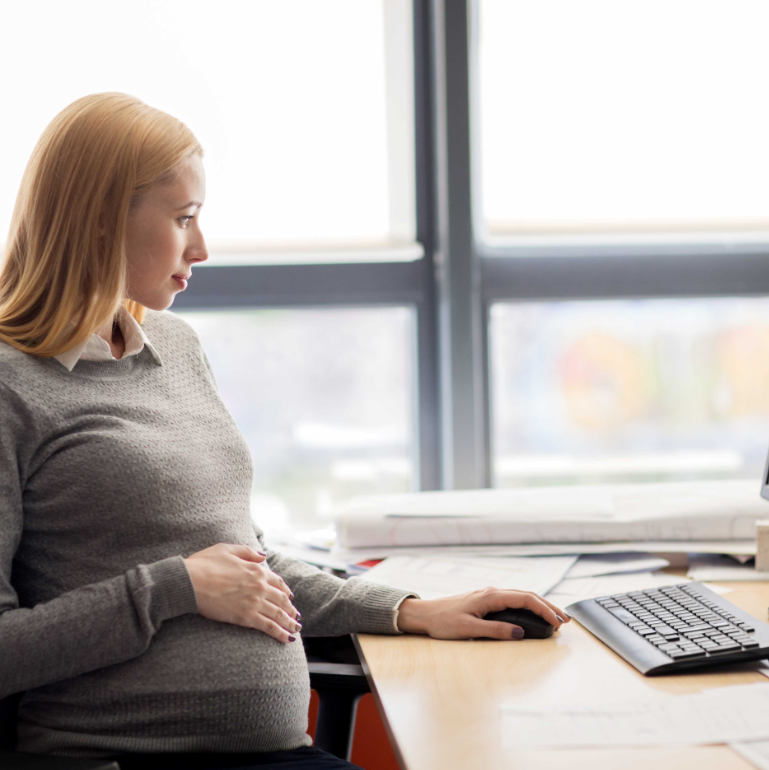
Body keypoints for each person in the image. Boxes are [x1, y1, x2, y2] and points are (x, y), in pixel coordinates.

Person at [0, 93, 569, 770]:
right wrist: (171, 587)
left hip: (271, 754)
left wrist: (411, 610)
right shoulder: (12, 386)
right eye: (183, 219)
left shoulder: (173, 348)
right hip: (118, 759)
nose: (201, 247)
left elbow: (246, 567)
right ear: (98, 221)